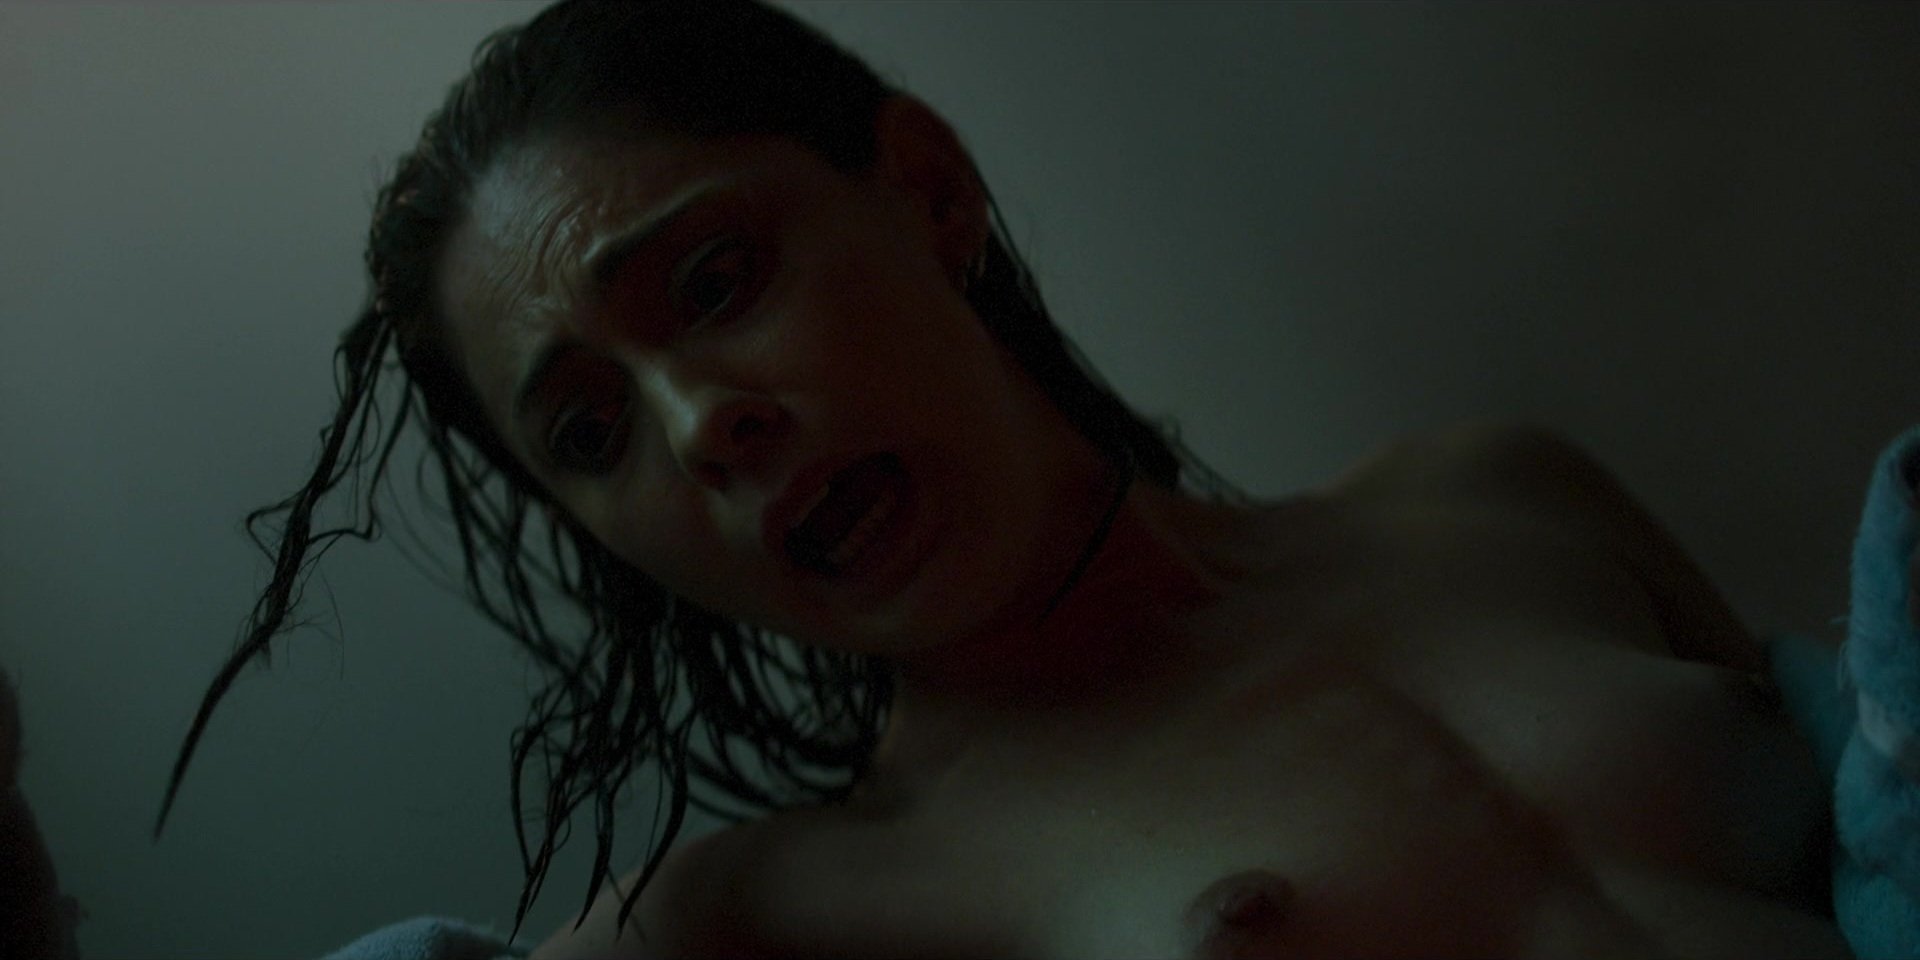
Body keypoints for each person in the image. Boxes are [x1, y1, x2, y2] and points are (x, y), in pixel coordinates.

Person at [147, 2, 1853, 957]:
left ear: (929, 192)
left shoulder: (1506, 499)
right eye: (592, 435)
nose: (699, 425)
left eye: (717, 282)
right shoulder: (770, 920)